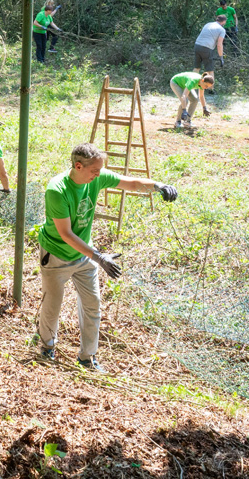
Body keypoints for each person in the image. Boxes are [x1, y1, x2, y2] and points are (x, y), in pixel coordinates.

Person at [38, 143, 178, 371]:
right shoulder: (57, 190)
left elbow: (130, 183)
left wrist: (158, 186)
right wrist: (100, 257)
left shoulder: (97, 177)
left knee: (92, 305)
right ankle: (46, 348)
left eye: (99, 171)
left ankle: (87, 358)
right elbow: (66, 234)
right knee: (53, 306)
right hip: (57, 255)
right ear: (78, 166)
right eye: (94, 170)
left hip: (85, 256)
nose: (98, 175)